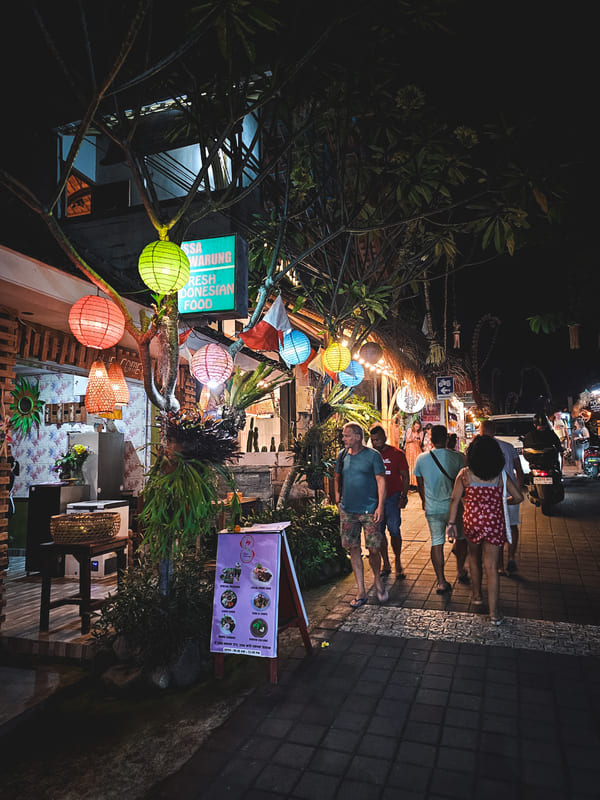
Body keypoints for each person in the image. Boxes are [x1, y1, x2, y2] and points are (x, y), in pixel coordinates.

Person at [447, 435, 524, 625]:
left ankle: (476, 595)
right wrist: (502, 502)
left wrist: (450, 523)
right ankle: (495, 613)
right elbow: (519, 497)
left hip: (472, 522)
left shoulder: (465, 474)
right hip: (494, 523)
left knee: (474, 559)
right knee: (492, 567)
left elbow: (454, 500)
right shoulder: (501, 475)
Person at [334, 423, 388, 607]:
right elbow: (336, 476)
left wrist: (380, 506)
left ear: (357, 437)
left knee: (374, 549)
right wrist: (337, 497)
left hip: (370, 509)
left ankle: (378, 580)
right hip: (348, 510)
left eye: (346, 435)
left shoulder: (373, 456)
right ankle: (361, 590)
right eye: (343, 435)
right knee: (353, 548)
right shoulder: (342, 456)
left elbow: (381, 481)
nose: (343, 438)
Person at [414, 424, 468, 593]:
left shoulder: (421, 459)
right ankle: (460, 571)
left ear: (430, 439)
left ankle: (441, 581)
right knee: (460, 539)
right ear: (446, 439)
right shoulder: (459, 457)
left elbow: (419, 482)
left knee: (437, 542)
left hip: (433, 508)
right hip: (456, 507)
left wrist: (423, 500)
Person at [480, 419, 524, 574]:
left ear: (482, 430)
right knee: (512, 526)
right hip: (510, 492)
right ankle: (511, 558)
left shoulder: (479, 449)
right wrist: (517, 488)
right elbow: (519, 471)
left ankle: (499, 566)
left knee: (496, 530)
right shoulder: (508, 447)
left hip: (491, 495)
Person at [369, 424, 410, 578]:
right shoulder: (369, 455)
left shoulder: (397, 454)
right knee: (379, 532)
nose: (375, 444)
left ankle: (398, 561)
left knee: (394, 530)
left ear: (385, 438)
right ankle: (386, 563)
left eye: (378, 440)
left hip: (392, 498)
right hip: (374, 499)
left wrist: (403, 496)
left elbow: (405, 476)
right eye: (372, 440)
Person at [404, 419, 424, 487]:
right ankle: (409, 483)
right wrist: (413, 439)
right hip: (410, 449)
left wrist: (418, 440)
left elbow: (421, 443)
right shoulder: (410, 430)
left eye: (418, 427)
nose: (417, 428)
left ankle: (416, 483)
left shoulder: (421, 432)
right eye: (416, 427)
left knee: (416, 464)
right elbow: (407, 440)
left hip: (416, 449)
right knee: (410, 465)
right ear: (413, 426)